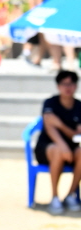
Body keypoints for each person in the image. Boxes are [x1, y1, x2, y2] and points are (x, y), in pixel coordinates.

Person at [34, 70, 81, 216]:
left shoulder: (79, 106)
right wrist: (64, 143)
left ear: (76, 86)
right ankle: (54, 197)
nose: (68, 87)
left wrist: (60, 125)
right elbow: (49, 126)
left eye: (71, 84)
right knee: (58, 150)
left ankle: (71, 194)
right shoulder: (50, 103)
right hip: (47, 148)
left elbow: (76, 135)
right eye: (64, 84)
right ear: (58, 86)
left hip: (72, 148)